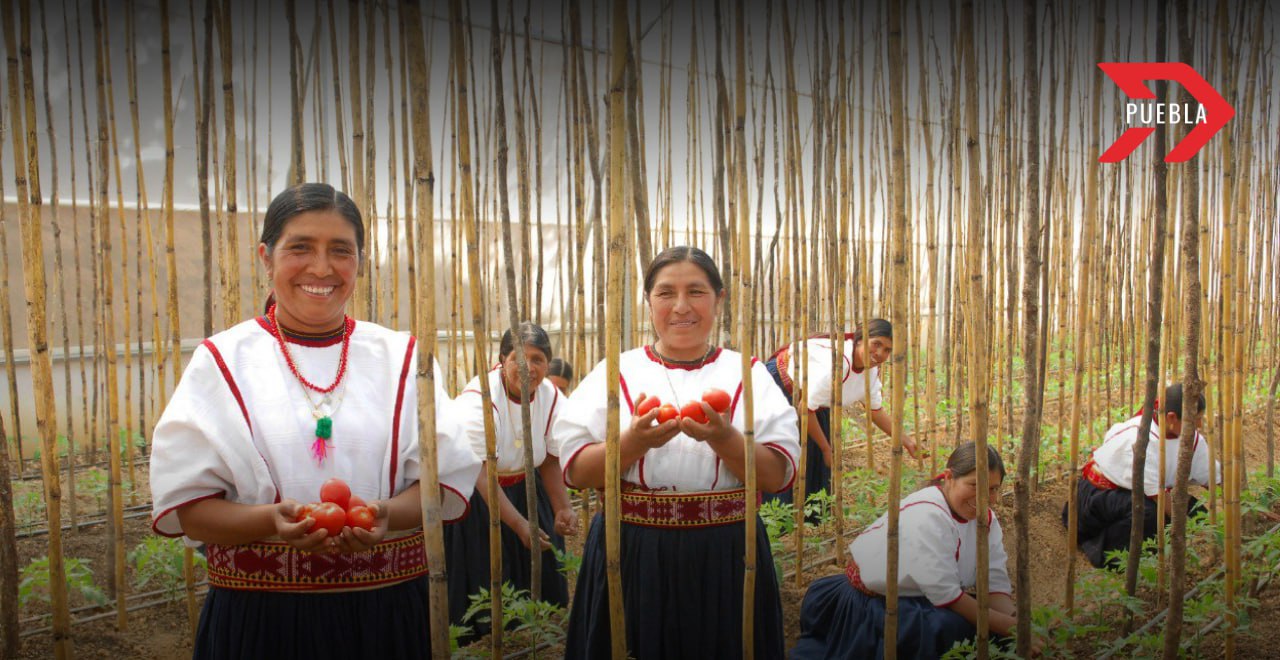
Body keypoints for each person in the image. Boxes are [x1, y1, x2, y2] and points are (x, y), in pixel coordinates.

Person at [149, 183, 481, 659]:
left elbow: (439, 486)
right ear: (266, 257)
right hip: (261, 622)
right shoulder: (223, 360)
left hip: (385, 616)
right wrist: (269, 521)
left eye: (340, 251)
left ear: (360, 264)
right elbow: (191, 508)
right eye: (300, 248)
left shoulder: (403, 358)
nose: (321, 268)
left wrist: (384, 516)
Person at [556, 246, 800, 660]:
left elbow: (777, 475)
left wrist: (723, 439)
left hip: (725, 551)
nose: (681, 306)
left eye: (697, 292)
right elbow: (577, 470)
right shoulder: (617, 370)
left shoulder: (748, 373)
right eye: (666, 293)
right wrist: (633, 441)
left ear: (720, 299)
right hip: (632, 549)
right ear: (648, 301)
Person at [792, 442, 1020, 659]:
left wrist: (1017, 621)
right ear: (949, 477)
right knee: (955, 630)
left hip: (922, 600)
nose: (985, 498)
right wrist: (1010, 628)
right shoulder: (928, 515)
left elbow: (994, 582)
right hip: (875, 607)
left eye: (992, 489)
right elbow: (949, 596)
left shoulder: (986, 522)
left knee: (994, 634)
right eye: (974, 485)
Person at [446, 322, 578, 640]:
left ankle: (536, 633)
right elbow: (478, 471)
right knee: (485, 571)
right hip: (479, 497)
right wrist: (520, 524)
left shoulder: (550, 397)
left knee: (543, 560)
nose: (528, 368)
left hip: (527, 488)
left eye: (538, 359)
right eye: (519, 358)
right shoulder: (479, 399)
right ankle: (483, 639)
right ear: (502, 360)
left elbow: (548, 457)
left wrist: (562, 507)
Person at [763, 319, 919, 511]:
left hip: (816, 402)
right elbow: (805, 409)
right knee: (784, 451)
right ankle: (774, 515)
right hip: (781, 386)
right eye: (876, 344)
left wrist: (906, 441)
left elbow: (875, 411)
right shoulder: (838, 364)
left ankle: (812, 517)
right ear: (860, 340)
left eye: (887, 350)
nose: (880, 354)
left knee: (817, 462)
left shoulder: (870, 372)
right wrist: (826, 448)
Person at [1063, 383, 1219, 568]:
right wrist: (1192, 531)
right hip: (1098, 499)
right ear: (1171, 418)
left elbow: (1214, 476)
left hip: (1138, 494)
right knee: (1150, 516)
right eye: (1195, 420)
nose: (1200, 425)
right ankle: (1105, 550)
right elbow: (1161, 500)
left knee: (1195, 510)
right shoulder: (1140, 439)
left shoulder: (1191, 438)